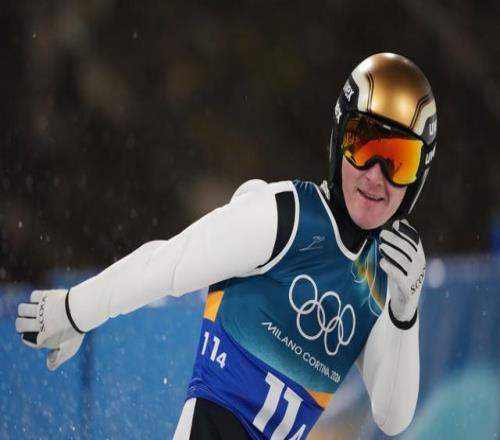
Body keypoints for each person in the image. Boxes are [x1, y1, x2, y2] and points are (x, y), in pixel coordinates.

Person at [16, 52, 437, 439]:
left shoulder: (383, 276)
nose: (375, 175)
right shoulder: (284, 217)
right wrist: (75, 310)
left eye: (398, 161)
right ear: (339, 140)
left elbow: (392, 416)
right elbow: (168, 264)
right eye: (362, 145)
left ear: (418, 178)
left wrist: (406, 309)